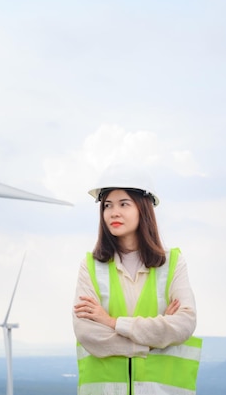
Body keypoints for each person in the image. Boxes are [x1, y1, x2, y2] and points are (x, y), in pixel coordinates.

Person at [72, 164, 202, 395]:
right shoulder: (91, 266)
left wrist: (112, 323)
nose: (114, 213)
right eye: (107, 206)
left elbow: (184, 324)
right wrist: (156, 340)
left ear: (143, 208)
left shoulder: (173, 262)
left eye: (124, 204)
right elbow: (88, 334)